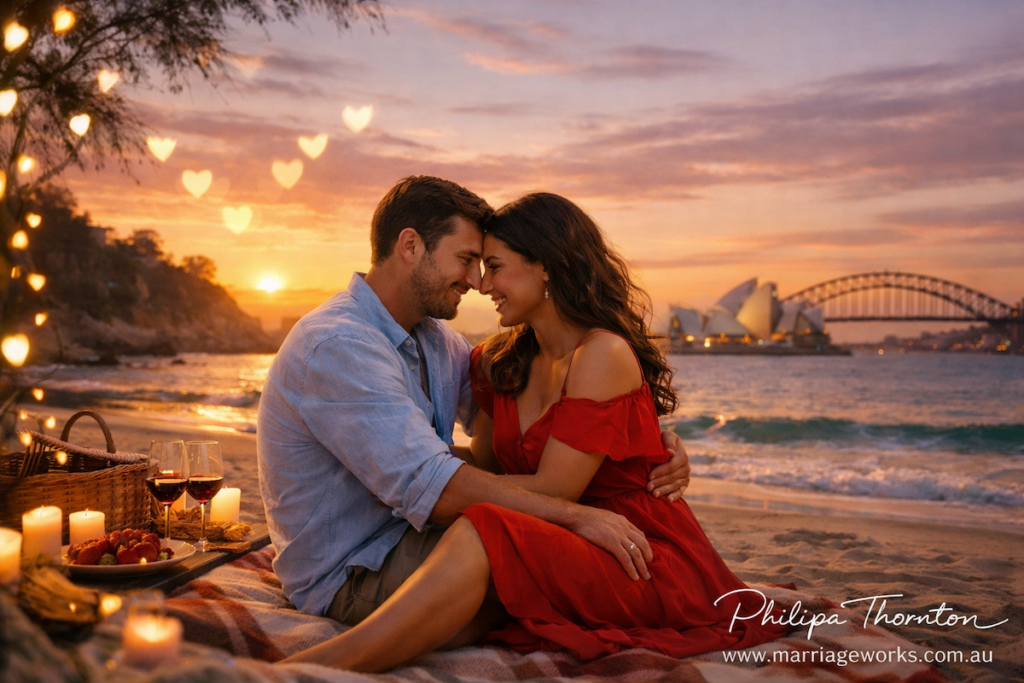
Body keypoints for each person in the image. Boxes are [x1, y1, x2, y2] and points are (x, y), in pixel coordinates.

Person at [283, 192, 789, 672]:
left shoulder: (589, 353)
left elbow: (548, 482)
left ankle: (313, 668)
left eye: (493, 266)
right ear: (411, 245)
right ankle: (320, 667)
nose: (480, 283)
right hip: (554, 530)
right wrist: (393, 475)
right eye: (471, 261)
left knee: (483, 524)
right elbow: (463, 469)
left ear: (546, 265)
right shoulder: (492, 361)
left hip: (634, 545)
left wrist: (665, 445)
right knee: (483, 528)